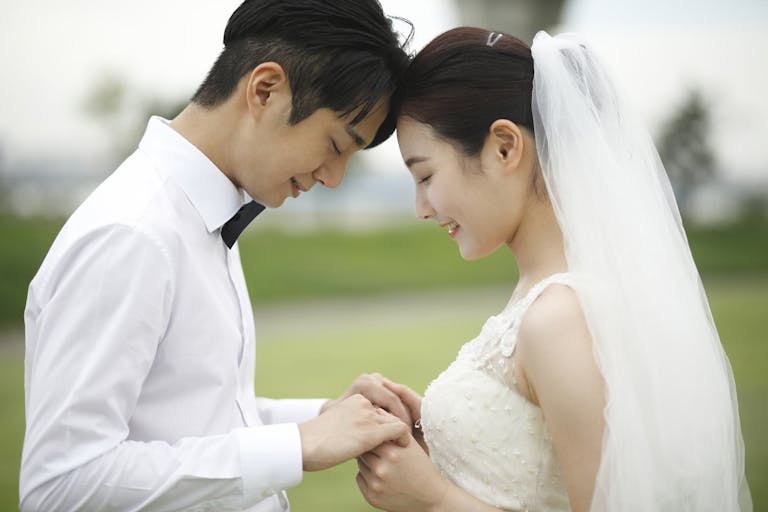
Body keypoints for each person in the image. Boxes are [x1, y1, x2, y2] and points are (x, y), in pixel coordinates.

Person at [20, 1, 414, 510]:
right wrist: (297, 446)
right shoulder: (133, 234)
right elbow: (60, 485)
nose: (333, 178)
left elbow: (198, 418)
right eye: (336, 145)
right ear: (265, 90)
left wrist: (329, 417)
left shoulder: (201, 215)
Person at [354, 28, 752, 512]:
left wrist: (434, 499)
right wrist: (433, 432)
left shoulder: (558, 317)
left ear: (504, 147)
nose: (420, 207)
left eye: (426, 176)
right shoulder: (541, 295)